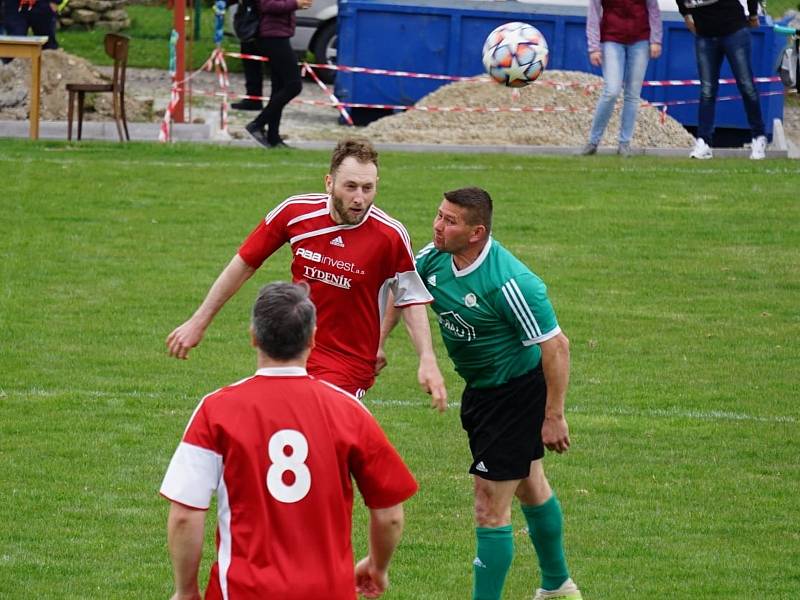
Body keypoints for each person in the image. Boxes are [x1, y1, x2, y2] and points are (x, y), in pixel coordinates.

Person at [381, 187, 581, 600]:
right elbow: (404, 291)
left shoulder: (511, 282)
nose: (437, 226)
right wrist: (377, 343)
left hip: (514, 394)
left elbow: (556, 346)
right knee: (530, 486)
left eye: (449, 221)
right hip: (482, 392)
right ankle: (558, 585)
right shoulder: (434, 257)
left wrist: (554, 415)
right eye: (438, 215)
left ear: (476, 233)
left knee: (488, 508)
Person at [161, 281, 418, 599]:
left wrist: (185, 591)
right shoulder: (348, 410)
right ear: (313, 339)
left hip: (242, 591)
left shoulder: (215, 411)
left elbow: (186, 514)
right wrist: (377, 566)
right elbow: (389, 515)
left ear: (253, 337)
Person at [166, 138, 447, 407]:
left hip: (348, 363)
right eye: (350, 187)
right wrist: (198, 322)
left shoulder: (390, 235)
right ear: (329, 182)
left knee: (310, 431)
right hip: (290, 351)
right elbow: (244, 262)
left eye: (367, 188)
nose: (359, 199)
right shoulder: (295, 213)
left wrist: (427, 358)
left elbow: (411, 299)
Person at [677, 0, 767, 160]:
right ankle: (704, 141)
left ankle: (759, 137)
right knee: (707, 90)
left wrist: (753, 13)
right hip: (704, 33)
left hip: (734, 29)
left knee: (746, 86)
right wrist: (685, 14)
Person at [581, 0, 661, 157]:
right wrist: (593, 47)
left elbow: (654, 10)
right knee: (611, 90)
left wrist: (656, 40)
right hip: (611, 39)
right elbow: (594, 13)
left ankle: (624, 144)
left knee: (632, 95)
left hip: (640, 40)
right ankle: (593, 142)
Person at [242, 0, 313, 148]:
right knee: (294, 85)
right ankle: (257, 124)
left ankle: (273, 137)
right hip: (273, 37)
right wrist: (296, 4)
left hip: (278, 35)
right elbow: (268, 5)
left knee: (279, 87)